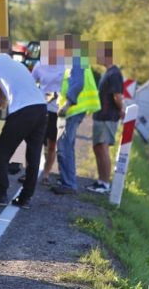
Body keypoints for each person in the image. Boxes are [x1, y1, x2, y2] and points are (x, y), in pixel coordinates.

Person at [0, 36, 47, 208]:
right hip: (41, 109)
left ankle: (0, 192)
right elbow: (0, 101)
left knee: (0, 152)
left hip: (23, 111)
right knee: (33, 156)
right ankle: (25, 198)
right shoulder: (18, 66)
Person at [51, 35, 101, 195]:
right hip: (74, 109)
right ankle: (68, 181)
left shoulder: (76, 60)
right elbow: (69, 83)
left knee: (64, 146)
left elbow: (78, 84)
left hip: (73, 110)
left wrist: (67, 104)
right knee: (67, 146)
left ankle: (68, 184)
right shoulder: (77, 60)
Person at [87, 41, 124, 194]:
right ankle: (100, 180)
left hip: (107, 116)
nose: (97, 57)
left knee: (103, 147)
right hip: (100, 115)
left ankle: (105, 183)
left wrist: (122, 110)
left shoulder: (114, 74)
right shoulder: (107, 73)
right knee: (97, 148)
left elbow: (117, 96)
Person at [30, 39, 67, 185]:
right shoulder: (39, 65)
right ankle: (29, 173)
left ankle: (45, 174)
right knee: (35, 142)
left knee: (52, 144)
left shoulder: (64, 66)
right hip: (41, 107)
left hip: (56, 110)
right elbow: (31, 82)